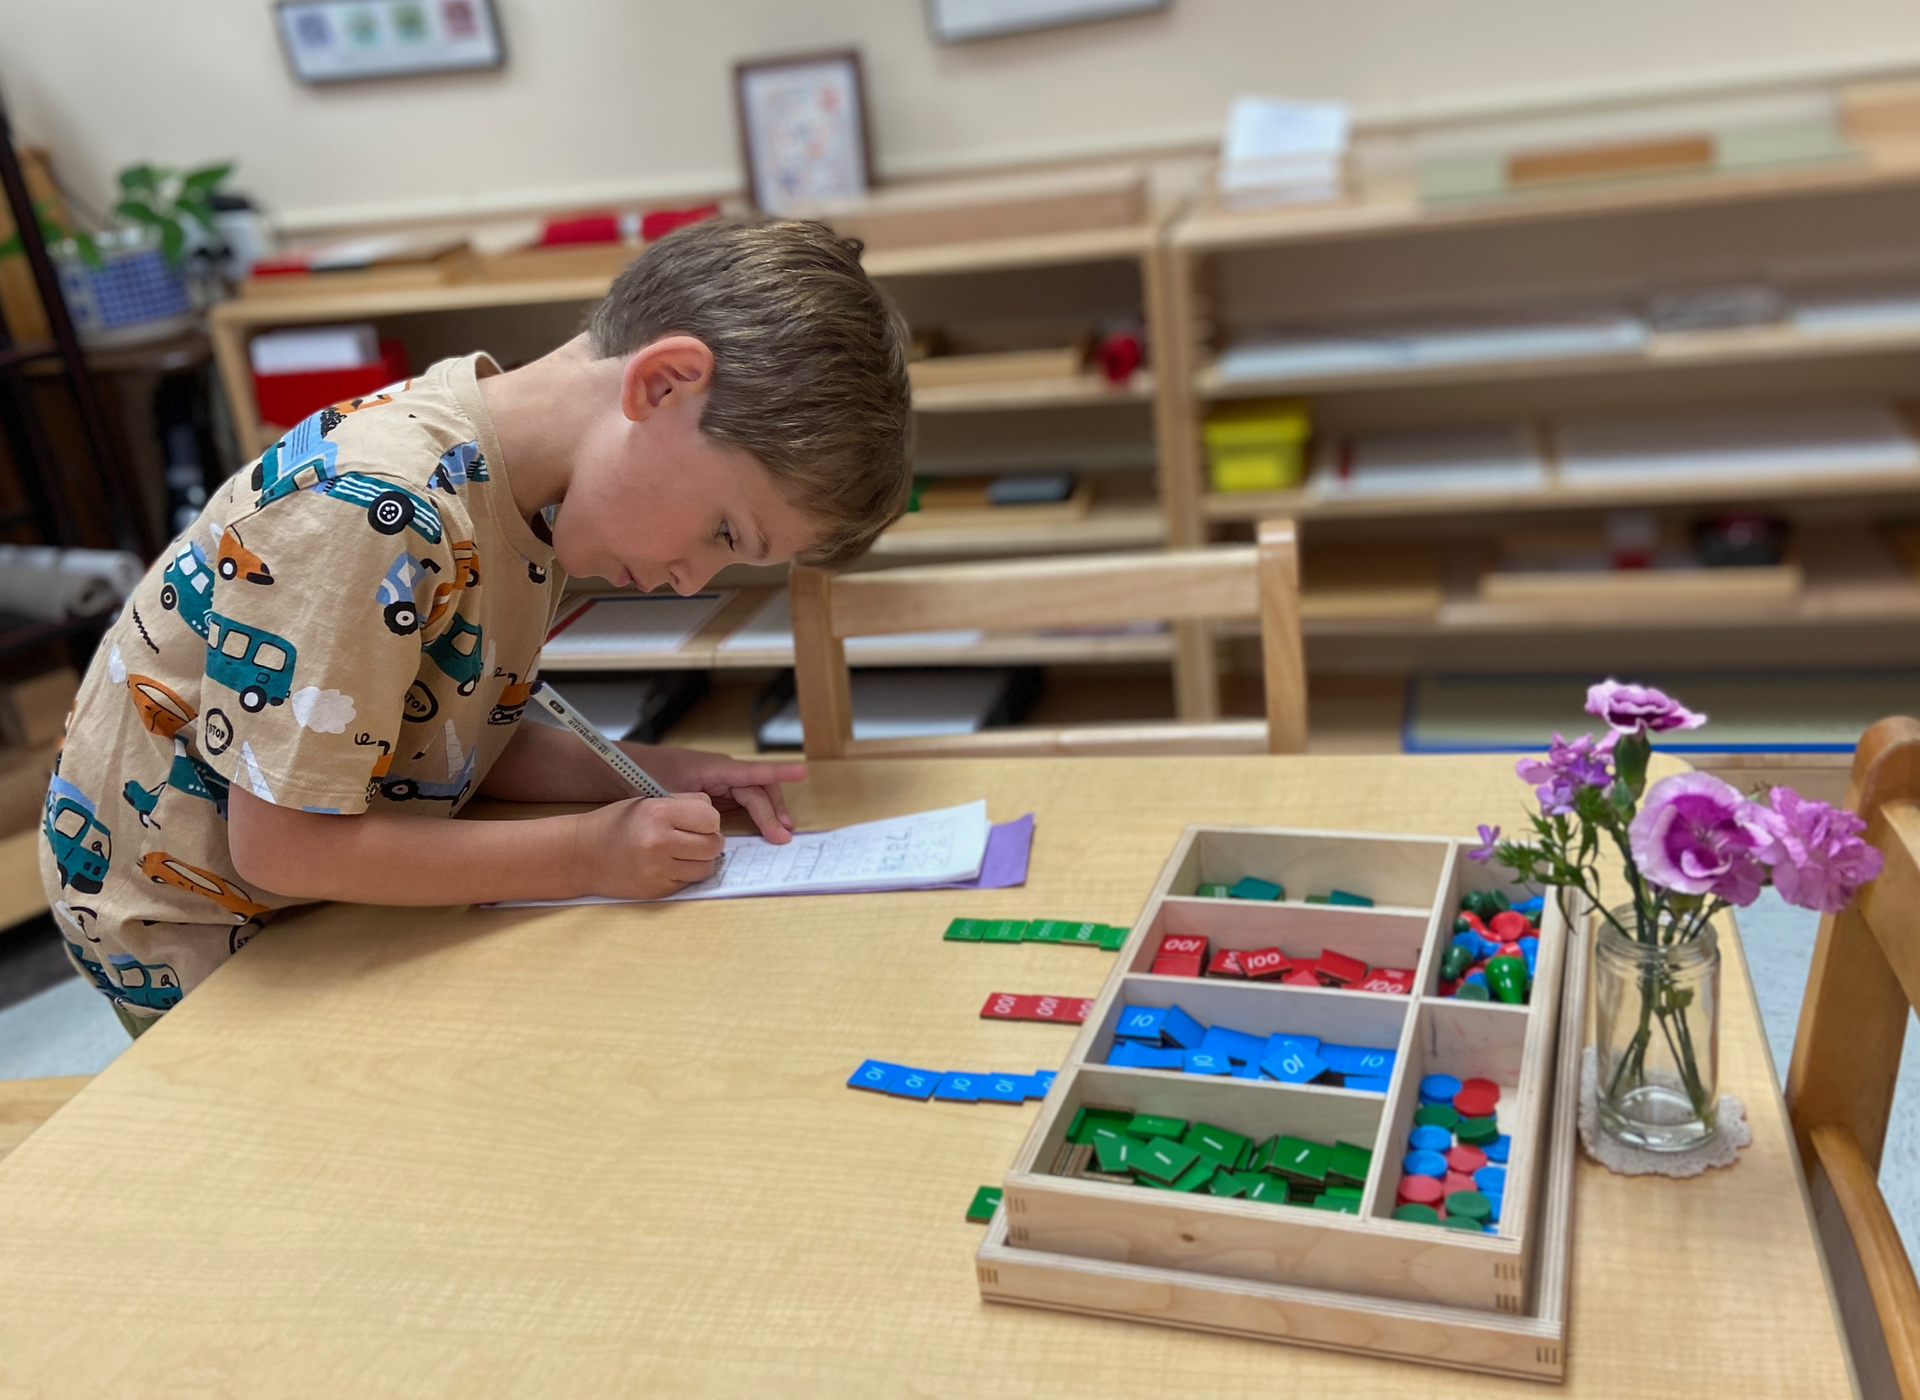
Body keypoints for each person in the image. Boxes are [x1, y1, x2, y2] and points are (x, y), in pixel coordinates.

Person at [41, 220, 912, 1034]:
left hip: (321, 892)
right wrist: (583, 855)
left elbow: (439, 729)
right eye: (725, 533)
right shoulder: (376, 507)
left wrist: (647, 775)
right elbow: (285, 846)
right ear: (662, 384)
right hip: (196, 938)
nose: (692, 581)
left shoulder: (533, 491)